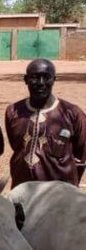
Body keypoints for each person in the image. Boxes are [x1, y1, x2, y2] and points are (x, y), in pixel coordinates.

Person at [6, 59, 86, 188]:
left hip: (59, 191)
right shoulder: (13, 111)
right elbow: (16, 146)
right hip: (22, 188)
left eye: (46, 77)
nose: (41, 83)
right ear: (25, 80)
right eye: (35, 77)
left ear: (54, 79)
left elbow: (81, 157)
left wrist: (70, 189)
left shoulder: (73, 113)